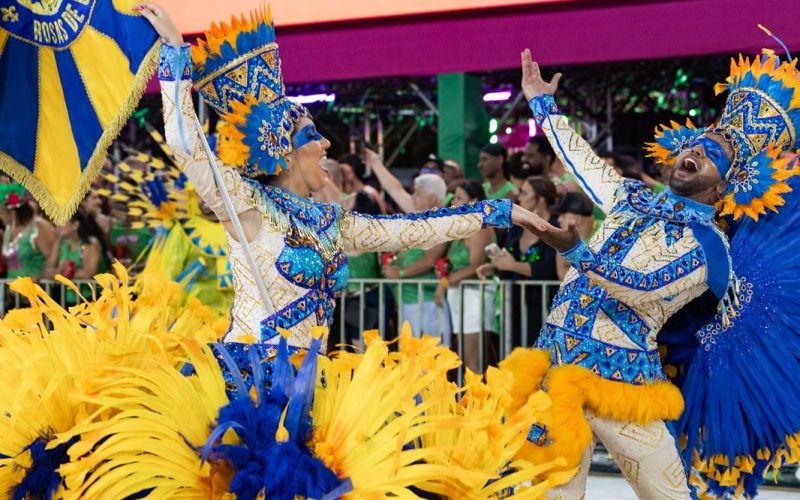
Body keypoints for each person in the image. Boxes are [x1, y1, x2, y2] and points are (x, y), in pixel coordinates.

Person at [141, 4, 539, 379]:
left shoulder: (333, 222)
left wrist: (495, 212)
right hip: (249, 385)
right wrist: (176, 55)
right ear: (284, 150)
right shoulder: (247, 205)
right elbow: (186, 146)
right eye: (314, 135)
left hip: (307, 385)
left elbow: (414, 229)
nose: (327, 145)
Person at [503, 49, 748, 499]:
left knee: (668, 494)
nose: (694, 149)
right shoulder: (631, 195)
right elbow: (584, 161)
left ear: (723, 186)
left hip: (623, 383)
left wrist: (575, 251)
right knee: (547, 495)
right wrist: (542, 105)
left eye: (710, 153)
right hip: (554, 370)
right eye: (694, 143)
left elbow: (644, 289)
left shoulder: (711, 245)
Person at [478, 176, 560, 347]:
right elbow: (508, 259)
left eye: (524, 193)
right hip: (514, 303)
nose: (519, 198)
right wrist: (494, 267)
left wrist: (513, 265)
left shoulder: (554, 228)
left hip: (544, 304)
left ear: (541, 199)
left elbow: (551, 268)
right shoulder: (516, 229)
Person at [381, 174, 451, 344]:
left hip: (428, 304)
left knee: (432, 363)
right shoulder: (422, 220)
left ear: (431, 198)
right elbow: (395, 189)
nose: (412, 197)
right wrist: (375, 162)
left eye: (417, 193)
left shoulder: (442, 222)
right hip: (409, 302)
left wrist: (401, 272)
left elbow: (429, 260)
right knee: (411, 362)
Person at [436, 180, 496, 373]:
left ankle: (477, 401)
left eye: (460, 197)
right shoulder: (462, 228)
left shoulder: (480, 228)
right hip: (460, 295)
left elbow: (475, 265)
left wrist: (445, 282)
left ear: (474, 201)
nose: (454, 201)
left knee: (474, 359)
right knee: (465, 355)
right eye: (454, 196)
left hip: (474, 295)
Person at [0, 183, 56, 281]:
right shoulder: (8, 231)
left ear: (12, 212)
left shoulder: (39, 227)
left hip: (38, 291)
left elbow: (54, 261)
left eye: (1, 212)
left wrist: (39, 278)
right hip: (14, 293)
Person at [551, 192, 597, 280]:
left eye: (563, 215)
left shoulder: (604, 232)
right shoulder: (564, 243)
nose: (559, 219)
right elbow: (562, 274)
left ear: (577, 219)